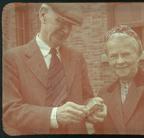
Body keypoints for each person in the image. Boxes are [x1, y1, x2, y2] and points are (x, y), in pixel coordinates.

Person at [3, 3, 107, 135]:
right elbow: (9, 111)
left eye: (70, 25)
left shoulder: (77, 58)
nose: (66, 31)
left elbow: (85, 98)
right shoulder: (12, 59)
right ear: (43, 15)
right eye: (61, 21)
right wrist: (54, 115)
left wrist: (93, 107)